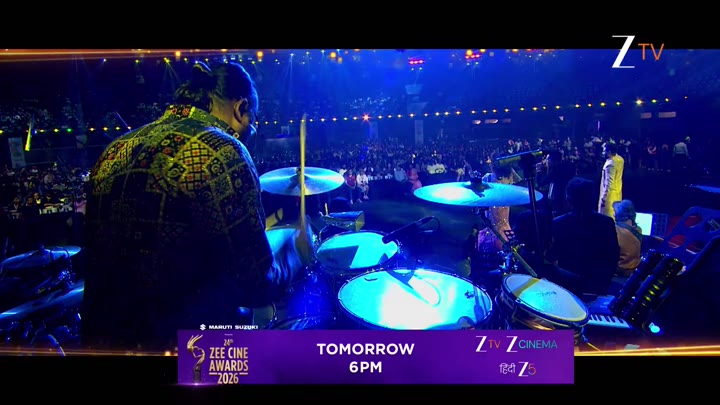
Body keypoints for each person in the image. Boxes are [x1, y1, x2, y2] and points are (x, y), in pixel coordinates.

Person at [82, 62, 314, 351]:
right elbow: (256, 286)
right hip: (182, 352)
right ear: (241, 108)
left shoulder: (115, 149)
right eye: (253, 119)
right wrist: (296, 252)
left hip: (99, 343)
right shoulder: (221, 149)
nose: (252, 128)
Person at [548, 177, 620, 296]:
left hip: (568, 287)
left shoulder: (558, 223)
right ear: (592, 198)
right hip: (600, 285)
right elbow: (614, 255)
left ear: (568, 199)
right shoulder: (606, 222)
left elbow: (554, 255)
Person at [613, 200, 643, 277]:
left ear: (619, 214)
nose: (613, 214)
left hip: (619, 271)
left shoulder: (616, 229)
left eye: (615, 212)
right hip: (633, 271)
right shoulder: (639, 230)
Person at [598, 142, 624, 219]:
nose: (603, 152)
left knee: (607, 217)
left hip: (610, 196)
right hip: (618, 192)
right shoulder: (620, 159)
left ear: (609, 151)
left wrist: (604, 197)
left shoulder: (610, 164)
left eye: (604, 150)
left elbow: (609, 183)